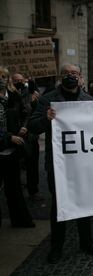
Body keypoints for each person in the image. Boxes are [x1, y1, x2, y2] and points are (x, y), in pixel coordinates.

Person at [28, 63, 93, 264]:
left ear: (80, 76)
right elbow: (32, 125)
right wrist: (46, 118)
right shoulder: (48, 99)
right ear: (61, 77)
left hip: (82, 162)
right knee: (59, 206)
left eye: (74, 73)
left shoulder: (89, 100)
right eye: (67, 73)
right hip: (58, 163)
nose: (71, 76)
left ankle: (86, 241)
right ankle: (56, 246)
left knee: (84, 203)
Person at [0, 66, 35, 228]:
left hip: (13, 151)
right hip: (3, 146)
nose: (1, 79)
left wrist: (24, 126)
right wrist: (8, 137)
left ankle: (20, 220)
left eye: (3, 76)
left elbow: (25, 113)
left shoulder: (13, 96)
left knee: (14, 187)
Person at [11, 73, 43, 200]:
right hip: (15, 135)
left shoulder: (30, 93)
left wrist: (35, 102)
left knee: (32, 166)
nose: (18, 82)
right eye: (15, 80)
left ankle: (33, 190)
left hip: (30, 135)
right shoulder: (10, 95)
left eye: (20, 80)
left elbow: (35, 112)